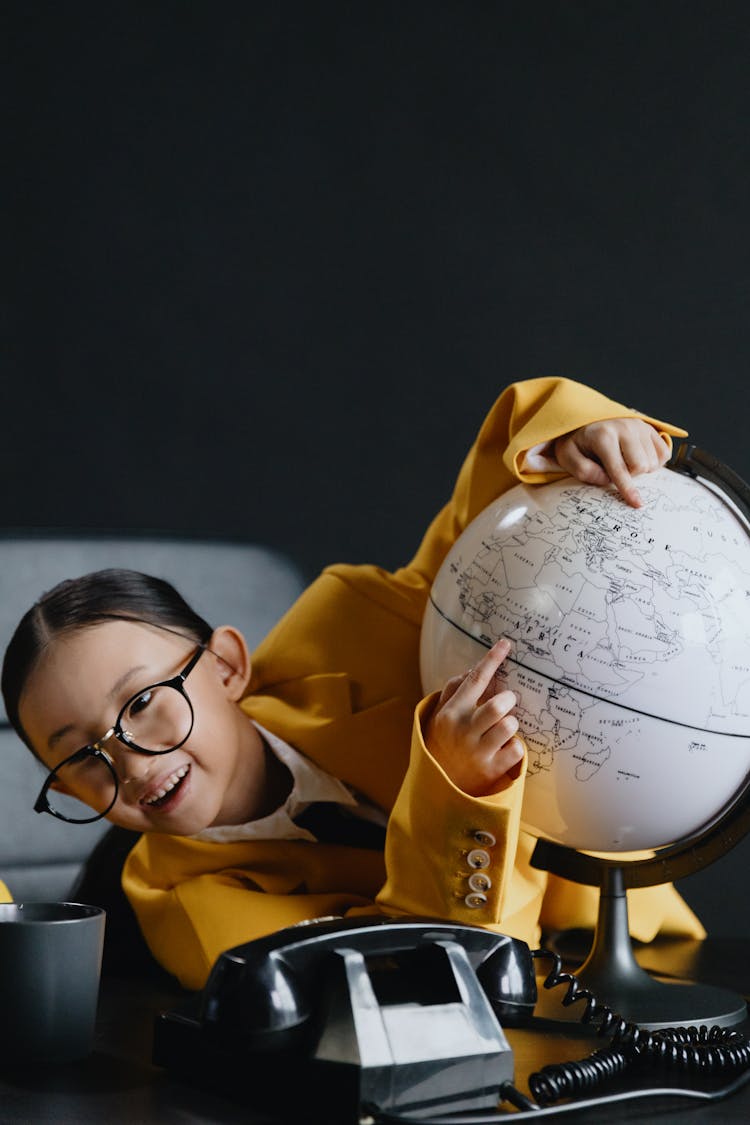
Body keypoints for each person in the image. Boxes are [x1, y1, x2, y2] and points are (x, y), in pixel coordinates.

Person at [1, 377, 705, 990]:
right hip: (517, 1014)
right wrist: (455, 792)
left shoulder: (343, 629)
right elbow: (412, 973)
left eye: (145, 703)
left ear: (226, 665)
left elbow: (481, 543)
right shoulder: (185, 903)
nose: (131, 762)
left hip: (636, 932)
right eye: (84, 757)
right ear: (63, 789)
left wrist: (574, 432)